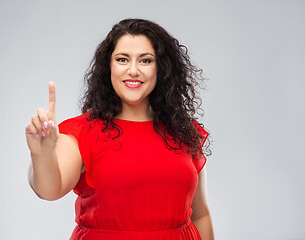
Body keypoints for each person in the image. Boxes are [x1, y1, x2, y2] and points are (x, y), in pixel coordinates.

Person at [26, 18, 214, 240]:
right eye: (122, 59)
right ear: (109, 67)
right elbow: (49, 190)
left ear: (160, 68)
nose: (133, 70)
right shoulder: (81, 133)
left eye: (145, 61)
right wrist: (41, 153)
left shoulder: (184, 132)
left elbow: (200, 215)